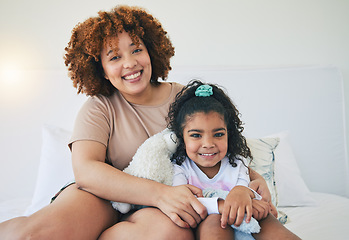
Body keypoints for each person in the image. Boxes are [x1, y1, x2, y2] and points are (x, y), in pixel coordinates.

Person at [0, 5, 272, 240]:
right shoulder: (99, 107)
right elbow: (86, 170)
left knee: (172, 234)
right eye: (115, 57)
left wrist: (254, 181)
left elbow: (220, 146)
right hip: (102, 198)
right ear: (101, 70)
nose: (130, 63)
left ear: (151, 51)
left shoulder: (184, 98)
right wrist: (160, 194)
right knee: (36, 235)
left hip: (162, 208)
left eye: (136, 50)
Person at [167, 80, 301, 240]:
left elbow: (250, 195)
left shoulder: (236, 163)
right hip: (210, 223)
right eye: (196, 135)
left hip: (244, 220)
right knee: (215, 221)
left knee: (266, 218)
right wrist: (223, 205)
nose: (208, 144)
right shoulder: (180, 168)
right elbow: (185, 202)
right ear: (182, 137)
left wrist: (247, 194)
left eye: (218, 134)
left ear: (229, 135)